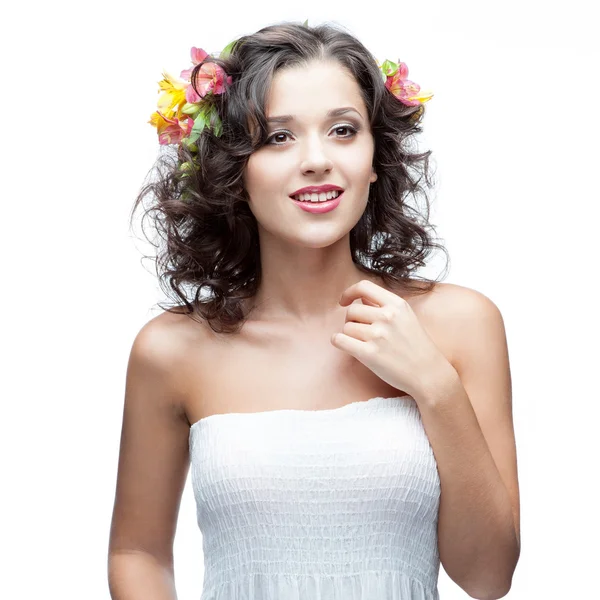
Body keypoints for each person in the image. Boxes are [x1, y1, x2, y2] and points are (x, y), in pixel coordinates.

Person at [107, 20, 521, 600]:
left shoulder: (461, 326)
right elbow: (138, 553)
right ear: (234, 169)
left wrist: (435, 386)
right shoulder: (172, 350)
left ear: (375, 157)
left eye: (343, 131)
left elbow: (487, 576)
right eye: (278, 138)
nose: (317, 160)